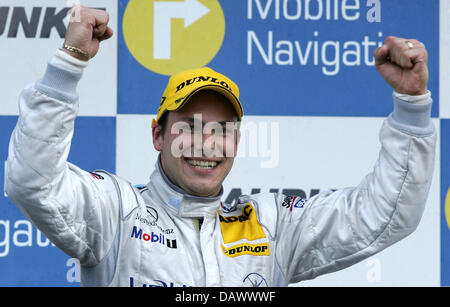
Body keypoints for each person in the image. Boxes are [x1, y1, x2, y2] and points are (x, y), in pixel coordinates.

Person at [5, 7, 436, 287]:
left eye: (222, 129)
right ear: (158, 134)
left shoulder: (269, 227)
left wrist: (412, 106)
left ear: (237, 142)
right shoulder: (115, 211)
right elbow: (32, 182)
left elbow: (387, 213)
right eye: (190, 127)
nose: (206, 144)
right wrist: (69, 63)